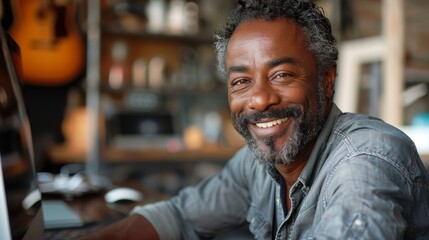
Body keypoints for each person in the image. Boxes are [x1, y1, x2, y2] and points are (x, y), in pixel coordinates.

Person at [84, 0, 429, 239]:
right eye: (241, 82)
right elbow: (179, 217)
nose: (261, 100)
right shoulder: (257, 165)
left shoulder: (364, 161)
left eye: (281, 75)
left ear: (326, 78)